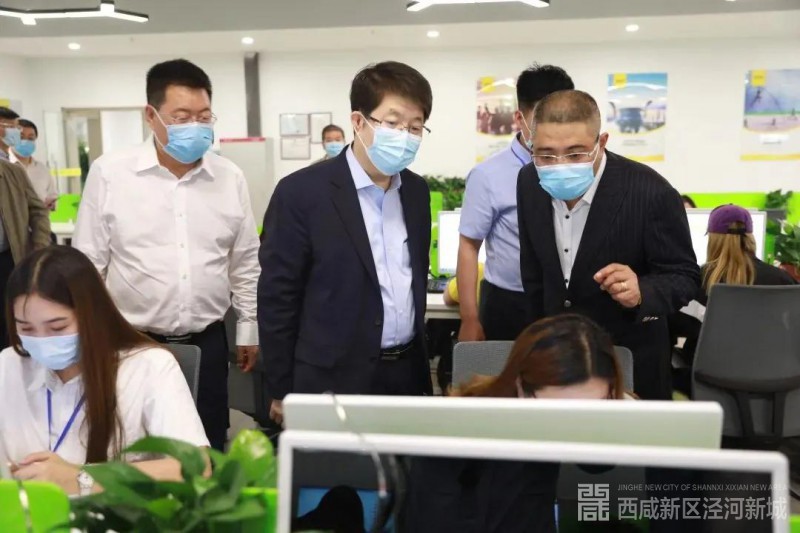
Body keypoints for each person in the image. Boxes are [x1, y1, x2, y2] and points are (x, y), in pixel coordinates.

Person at [73, 59, 261, 451]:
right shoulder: (111, 174)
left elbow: (245, 260)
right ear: (151, 115)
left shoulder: (229, 177)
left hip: (207, 342)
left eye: (204, 116)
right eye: (182, 117)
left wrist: (249, 327)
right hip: (130, 341)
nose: (196, 126)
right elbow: (87, 265)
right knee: (134, 448)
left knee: (207, 445)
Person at [259, 61, 434, 425]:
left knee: (406, 464)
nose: (405, 135)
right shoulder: (301, 193)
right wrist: (280, 387)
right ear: (358, 121)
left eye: (415, 127)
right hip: (330, 381)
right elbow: (278, 298)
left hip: (406, 375)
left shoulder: (416, 192)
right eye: (392, 123)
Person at [517, 90, 700, 400]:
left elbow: (684, 276)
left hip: (628, 361)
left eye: (575, 154)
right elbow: (533, 271)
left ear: (601, 142)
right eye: (545, 155)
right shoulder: (528, 181)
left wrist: (642, 291)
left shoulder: (650, 192)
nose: (559, 165)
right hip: (556, 364)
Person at [1, 246, 208, 496]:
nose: (42, 340)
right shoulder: (9, 364)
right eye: (26, 328)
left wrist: (81, 478)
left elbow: (196, 467)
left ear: (92, 315)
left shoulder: (148, 367)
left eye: (57, 328)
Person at [404, 314, 629, 533]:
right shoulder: (457, 437)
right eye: (559, 413)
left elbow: (597, 463)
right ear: (521, 388)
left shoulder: (544, 412)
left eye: (589, 411)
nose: (573, 427)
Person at [457, 65, 574, 342]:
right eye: (543, 119)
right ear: (520, 118)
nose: (554, 130)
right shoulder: (488, 175)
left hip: (567, 302)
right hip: (509, 304)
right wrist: (469, 318)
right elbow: (469, 245)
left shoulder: (579, 167)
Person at [679, 205, 797, 366]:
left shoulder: (697, 280)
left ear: (712, 239)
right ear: (750, 236)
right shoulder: (782, 280)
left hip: (710, 373)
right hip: (773, 372)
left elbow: (679, 326)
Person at [0, 129, 52, 348]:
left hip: (8, 260)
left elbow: (38, 211)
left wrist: (38, 250)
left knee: (10, 326)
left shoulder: (12, 172)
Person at [12, 119, 58, 211]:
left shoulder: (42, 169)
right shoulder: (4, 166)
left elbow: (52, 198)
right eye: (21, 137)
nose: (25, 141)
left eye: (30, 138)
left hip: (39, 218)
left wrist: (51, 204)